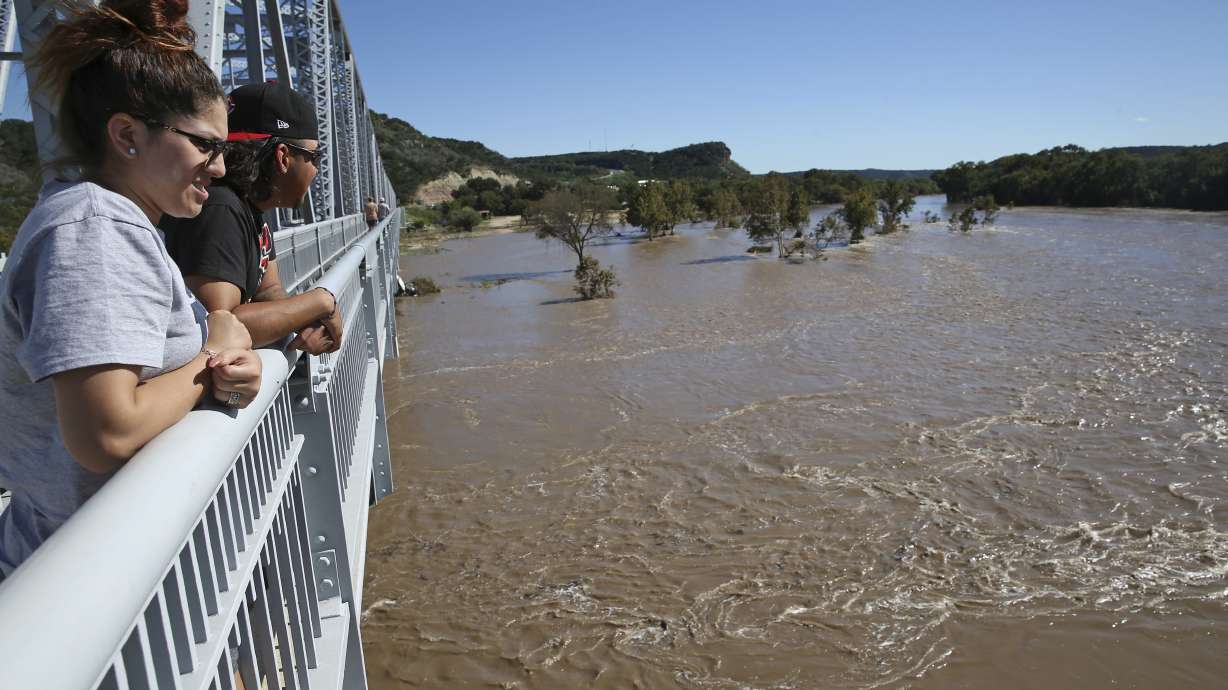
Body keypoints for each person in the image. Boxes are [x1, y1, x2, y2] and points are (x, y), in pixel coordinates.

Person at [0, 0, 262, 577]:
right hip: (86, 582)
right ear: (127, 136)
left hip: (110, 560)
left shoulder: (111, 222)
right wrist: (211, 353)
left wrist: (225, 377)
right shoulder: (95, 230)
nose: (219, 168)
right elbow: (108, 432)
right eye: (206, 145)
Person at [162, 82, 342, 354]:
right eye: (314, 158)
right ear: (283, 157)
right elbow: (220, 328)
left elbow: (269, 291)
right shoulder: (221, 209)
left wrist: (302, 319)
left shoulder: (250, 206)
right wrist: (321, 301)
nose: (316, 171)